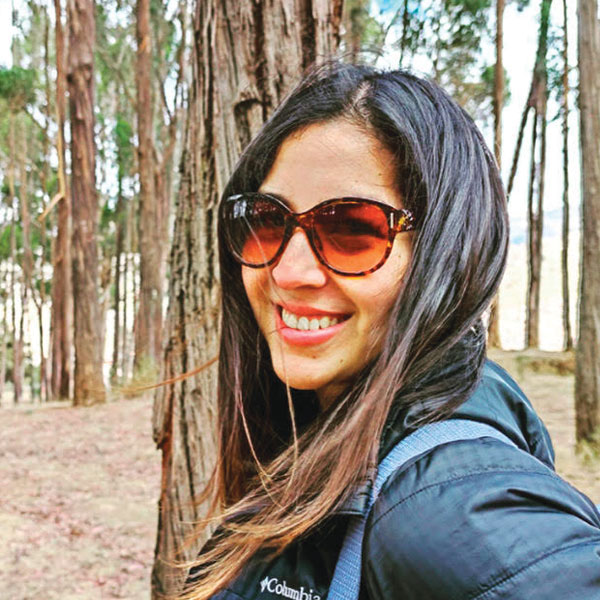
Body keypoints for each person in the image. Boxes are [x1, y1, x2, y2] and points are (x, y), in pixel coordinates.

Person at [182, 62, 600, 599]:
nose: (289, 272)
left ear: (444, 258)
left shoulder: (448, 506)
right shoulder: (319, 439)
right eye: (267, 220)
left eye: (351, 229)